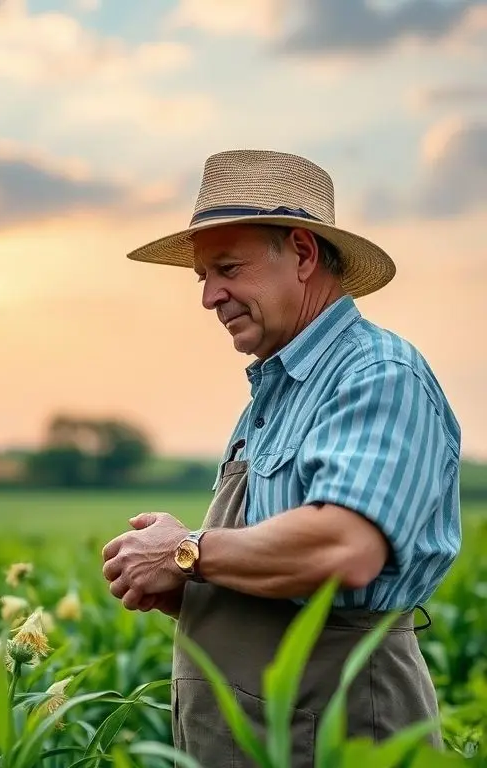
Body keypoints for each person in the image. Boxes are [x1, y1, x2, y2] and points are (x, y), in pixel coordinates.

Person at [101, 150, 462, 767]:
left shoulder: (376, 374)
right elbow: (281, 564)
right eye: (203, 276)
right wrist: (191, 590)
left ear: (301, 252)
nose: (210, 296)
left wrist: (185, 551)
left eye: (228, 268)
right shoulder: (281, 390)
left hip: (337, 733)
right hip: (267, 733)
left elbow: (342, 549)